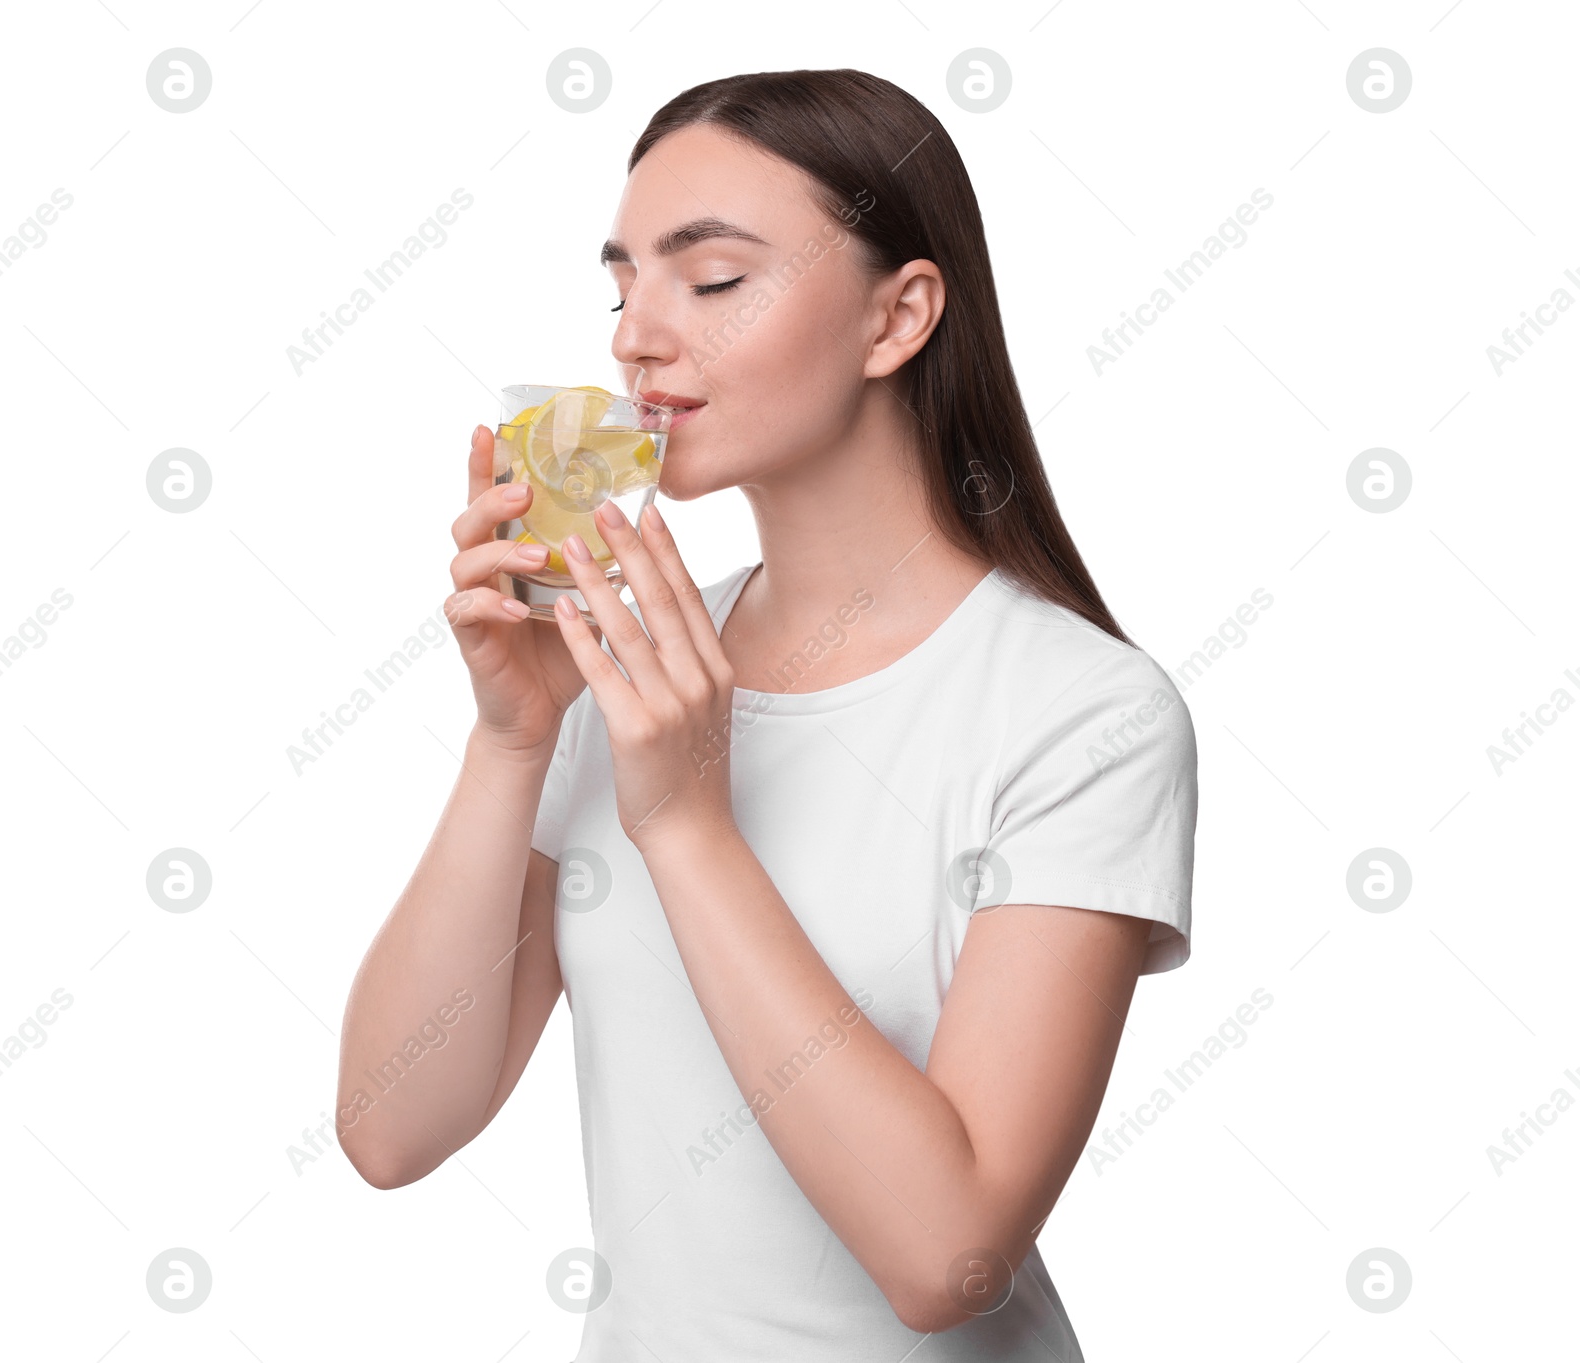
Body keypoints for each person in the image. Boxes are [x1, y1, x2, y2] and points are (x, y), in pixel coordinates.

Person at [337, 67, 1199, 1362]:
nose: (635, 334)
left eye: (714, 280)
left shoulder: (1085, 718)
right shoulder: (627, 667)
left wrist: (689, 824)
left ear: (897, 316)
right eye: (621, 285)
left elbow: (945, 1258)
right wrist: (513, 737)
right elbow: (392, 1129)